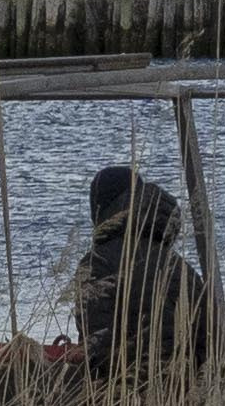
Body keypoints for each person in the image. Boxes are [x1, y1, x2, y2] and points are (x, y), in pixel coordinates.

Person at [66, 161, 211, 380]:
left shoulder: (97, 264)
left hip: (125, 394)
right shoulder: (181, 268)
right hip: (184, 392)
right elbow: (206, 340)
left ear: (99, 210)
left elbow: (96, 343)